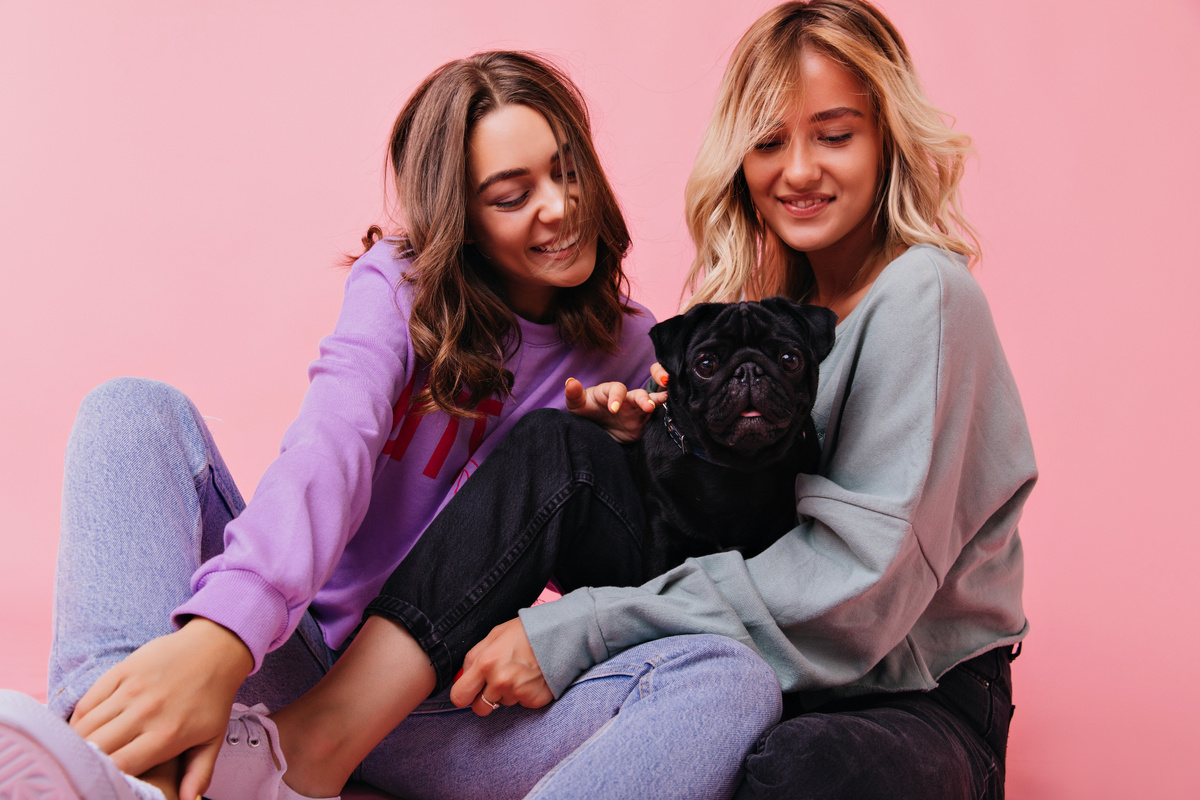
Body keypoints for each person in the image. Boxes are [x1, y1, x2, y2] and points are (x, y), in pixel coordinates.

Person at [248, 1, 1033, 798]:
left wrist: (578, 628)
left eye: (834, 135)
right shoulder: (766, 312)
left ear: (888, 138)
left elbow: (858, 597)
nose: (798, 171)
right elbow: (712, 531)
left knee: (789, 767)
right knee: (558, 449)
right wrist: (642, 447)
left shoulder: (925, 294)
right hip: (757, 654)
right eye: (768, 142)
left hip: (907, 694)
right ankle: (320, 740)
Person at [0, 50, 784, 800]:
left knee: (728, 679)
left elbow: (635, 544)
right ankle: (111, 761)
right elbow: (329, 450)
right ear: (463, 219)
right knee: (132, 410)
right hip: (289, 648)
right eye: (512, 195)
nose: (558, 207)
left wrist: (630, 453)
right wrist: (224, 634)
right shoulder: (402, 287)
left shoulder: (633, 345)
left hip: (449, 703)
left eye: (568, 170)